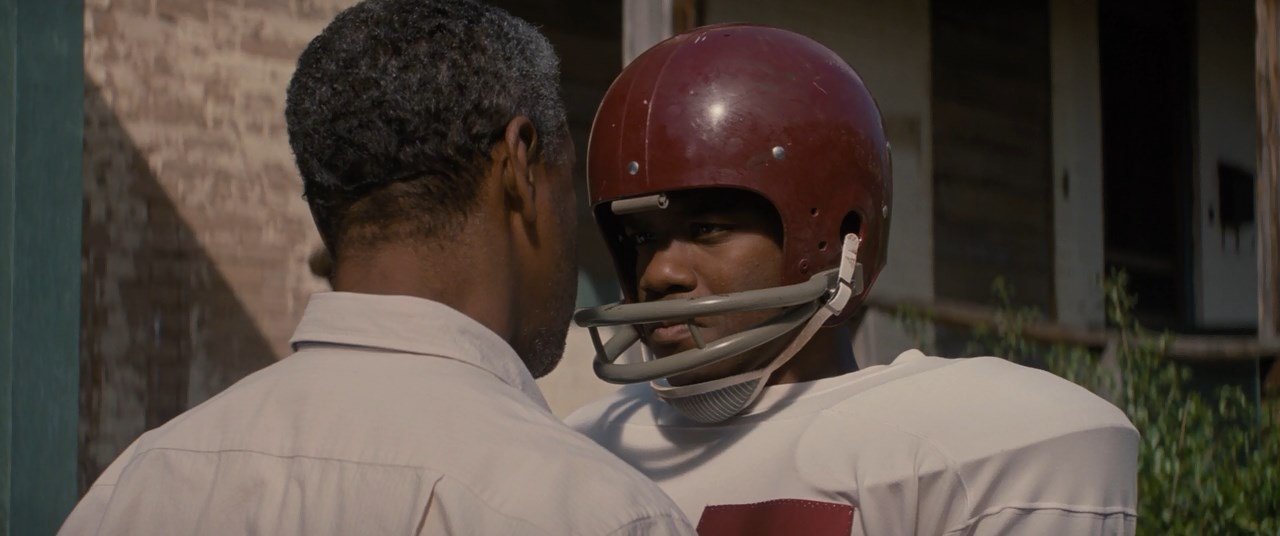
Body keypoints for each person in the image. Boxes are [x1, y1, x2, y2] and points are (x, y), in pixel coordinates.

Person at [58, 1, 693, 534]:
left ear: (323, 200)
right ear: (520, 164)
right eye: (566, 182)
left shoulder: (138, 484)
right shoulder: (595, 512)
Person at [566, 23, 1138, 535]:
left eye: (708, 228)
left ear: (844, 235)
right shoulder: (589, 447)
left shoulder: (968, 446)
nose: (659, 273)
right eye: (640, 238)